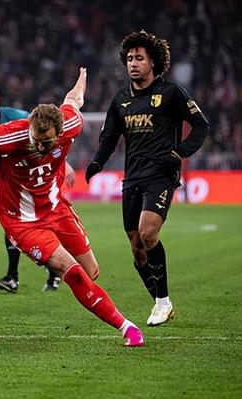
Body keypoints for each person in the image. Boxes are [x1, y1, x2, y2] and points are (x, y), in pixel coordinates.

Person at [0, 67, 145, 347]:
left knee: (90, 272)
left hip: (56, 208)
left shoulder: (71, 124)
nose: (39, 147)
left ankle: (55, 265)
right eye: (35, 140)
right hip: (21, 221)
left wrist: (82, 79)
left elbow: (74, 99)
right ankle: (127, 328)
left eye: (46, 142)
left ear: (60, 132)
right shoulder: (10, 135)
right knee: (73, 273)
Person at [85, 30, 210, 327]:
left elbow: (201, 125)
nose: (133, 63)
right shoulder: (120, 99)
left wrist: (180, 152)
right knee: (137, 249)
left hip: (161, 175)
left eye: (139, 58)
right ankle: (160, 301)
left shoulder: (171, 93)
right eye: (129, 58)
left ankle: (163, 302)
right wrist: (97, 162)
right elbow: (109, 137)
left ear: (153, 62)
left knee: (148, 232)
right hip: (132, 178)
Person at [0, 79, 66, 293]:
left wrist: (64, 164)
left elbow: (48, 133)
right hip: (5, 176)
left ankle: (49, 267)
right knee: (13, 224)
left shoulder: (17, 117)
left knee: (34, 223)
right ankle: (15, 276)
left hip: (31, 177)